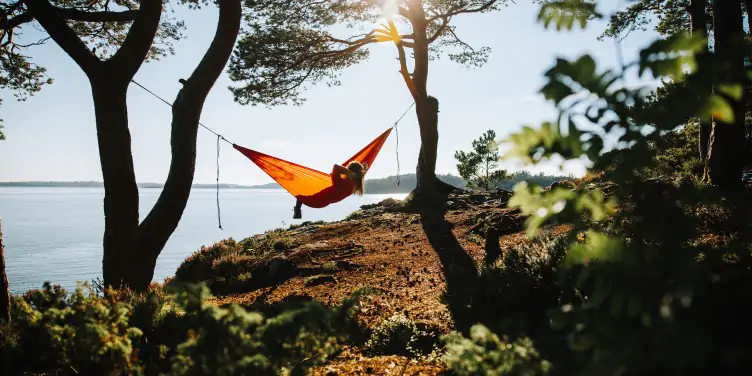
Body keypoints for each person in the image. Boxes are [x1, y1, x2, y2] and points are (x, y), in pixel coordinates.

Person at [293, 161, 368, 219]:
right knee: (302, 194)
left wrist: (350, 173)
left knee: (299, 195)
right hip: (323, 202)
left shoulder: (341, 182)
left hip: (317, 200)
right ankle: (297, 211)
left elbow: (335, 167)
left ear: (349, 171)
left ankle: (297, 211)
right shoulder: (356, 184)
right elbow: (361, 174)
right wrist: (363, 168)